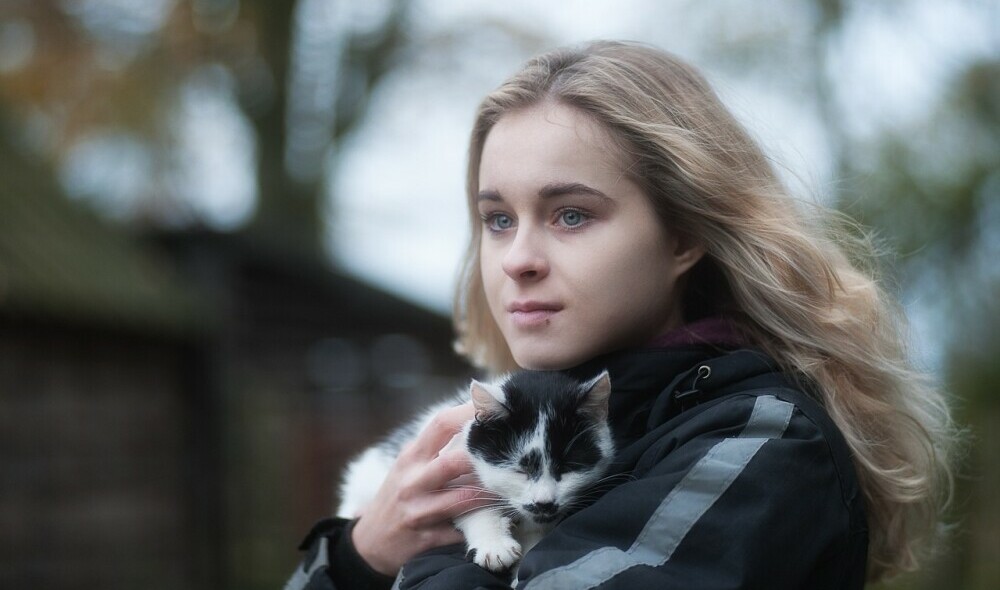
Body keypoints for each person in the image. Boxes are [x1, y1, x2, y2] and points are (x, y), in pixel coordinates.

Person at [286, 40, 957, 589]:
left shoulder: (763, 444)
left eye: (570, 214)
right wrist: (358, 554)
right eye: (497, 219)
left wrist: (426, 548)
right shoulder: (520, 424)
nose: (518, 258)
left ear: (684, 235)